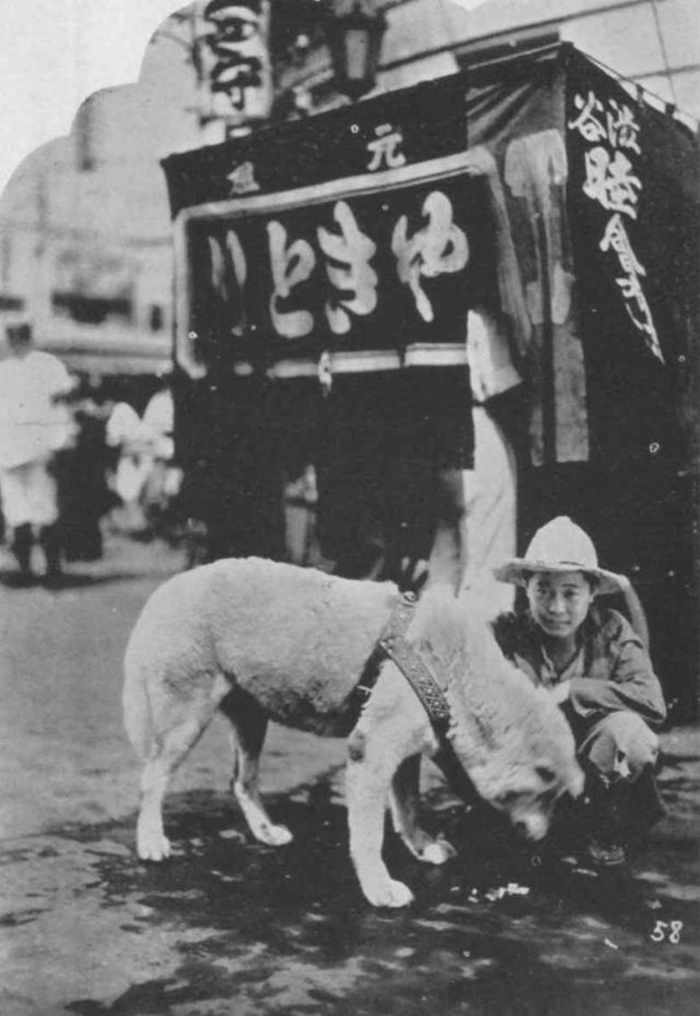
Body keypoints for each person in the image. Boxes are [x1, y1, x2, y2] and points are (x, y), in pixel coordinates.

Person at [491, 515, 667, 868]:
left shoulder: (612, 631)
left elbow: (652, 702)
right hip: (527, 779)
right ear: (526, 588)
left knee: (630, 734)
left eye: (570, 593)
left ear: (591, 594)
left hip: (594, 778)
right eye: (543, 590)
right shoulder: (507, 633)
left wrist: (574, 690)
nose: (557, 607)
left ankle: (603, 829)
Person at [0, 320, 74, 584]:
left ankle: (50, 570)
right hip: (11, 451)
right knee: (20, 511)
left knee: (42, 510)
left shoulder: (47, 365)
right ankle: (28, 571)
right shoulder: (6, 369)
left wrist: (59, 442)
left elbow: (60, 407)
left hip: (36, 448)